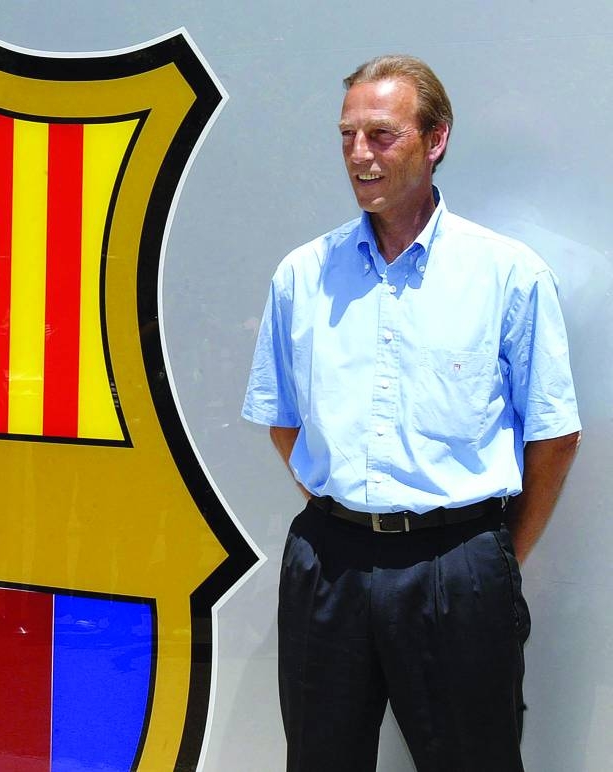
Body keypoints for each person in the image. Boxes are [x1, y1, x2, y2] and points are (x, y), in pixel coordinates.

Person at [242, 54, 580, 772]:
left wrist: (491, 560)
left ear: (436, 140)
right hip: (329, 564)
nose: (359, 155)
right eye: (347, 136)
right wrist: (355, 511)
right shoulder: (303, 275)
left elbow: (553, 436)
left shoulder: (507, 274)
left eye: (381, 135)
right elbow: (282, 418)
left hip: (456, 566)